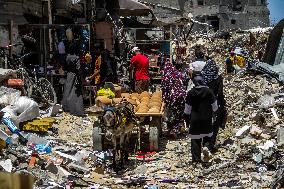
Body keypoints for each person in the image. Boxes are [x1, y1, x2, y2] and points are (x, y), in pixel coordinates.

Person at [184, 75, 218, 163]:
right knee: (207, 136)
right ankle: (206, 147)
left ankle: (196, 160)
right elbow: (215, 107)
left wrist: (187, 121)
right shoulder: (209, 91)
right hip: (206, 119)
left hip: (195, 120)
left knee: (195, 140)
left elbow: (187, 110)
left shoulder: (191, 93)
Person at [201, 59, 227, 151]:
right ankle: (209, 146)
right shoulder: (218, 78)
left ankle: (205, 144)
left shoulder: (202, 77)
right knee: (214, 124)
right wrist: (222, 104)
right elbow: (220, 93)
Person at [61, 44, 84, 116]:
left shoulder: (66, 57)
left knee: (67, 92)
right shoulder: (76, 57)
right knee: (75, 93)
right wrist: (81, 76)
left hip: (68, 75)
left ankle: (66, 108)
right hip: (75, 76)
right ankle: (76, 110)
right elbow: (78, 68)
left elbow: (64, 67)